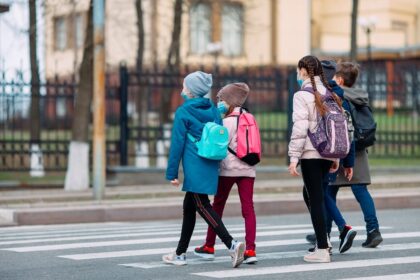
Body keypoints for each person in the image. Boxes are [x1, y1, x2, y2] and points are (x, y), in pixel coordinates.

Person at [162, 71, 245, 268]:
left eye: (185, 87)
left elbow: (177, 144)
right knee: (189, 207)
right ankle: (180, 253)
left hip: (194, 164)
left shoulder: (183, 112)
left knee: (202, 205)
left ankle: (231, 244)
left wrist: (172, 173)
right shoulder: (213, 110)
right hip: (210, 161)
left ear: (190, 91)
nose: (182, 90)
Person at [194, 83, 258, 264]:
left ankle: (209, 245)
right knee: (248, 209)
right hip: (248, 169)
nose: (219, 103)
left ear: (230, 101)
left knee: (217, 207)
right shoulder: (251, 118)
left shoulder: (226, 122)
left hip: (228, 170)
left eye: (221, 100)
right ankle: (251, 250)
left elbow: (219, 148)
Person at [288, 55, 341, 263]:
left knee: (316, 200)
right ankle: (325, 242)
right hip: (328, 154)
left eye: (298, 70)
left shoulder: (302, 95)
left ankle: (322, 249)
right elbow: (336, 127)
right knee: (315, 198)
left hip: (311, 154)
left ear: (303, 70)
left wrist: (293, 158)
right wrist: (336, 156)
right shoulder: (328, 93)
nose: (297, 74)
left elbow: (300, 128)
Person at [305, 60, 358, 255]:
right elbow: (349, 131)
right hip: (336, 154)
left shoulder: (319, 96)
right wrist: (348, 161)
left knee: (317, 194)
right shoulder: (341, 98)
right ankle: (326, 235)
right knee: (318, 193)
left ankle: (340, 230)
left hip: (318, 154)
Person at [328, 62, 383, 248]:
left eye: (334, 77)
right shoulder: (360, 96)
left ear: (340, 80)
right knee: (361, 191)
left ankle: (324, 232)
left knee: (328, 192)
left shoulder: (337, 95)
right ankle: (373, 231)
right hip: (359, 150)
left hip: (341, 148)